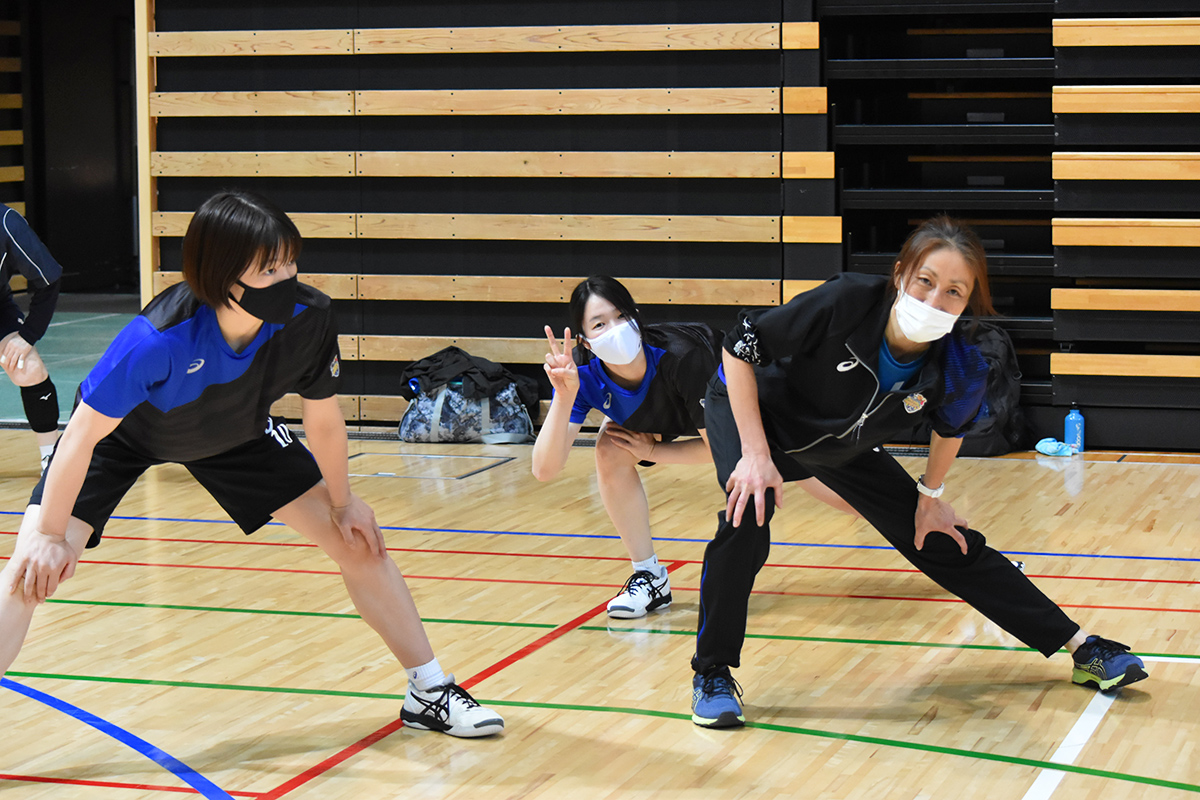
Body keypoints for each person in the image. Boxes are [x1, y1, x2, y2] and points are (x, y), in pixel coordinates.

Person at [0, 191, 504, 738]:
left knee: (358, 541)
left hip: (235, 431)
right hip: (122, 439)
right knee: (30, 568)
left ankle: (429, 691)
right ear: (220, 275)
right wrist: (51, 534)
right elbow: (80, 438)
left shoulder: (308, 318)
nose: (288, 276)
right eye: (269, 268)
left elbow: (324, 420)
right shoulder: (156, 339)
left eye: (290, 261)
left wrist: (344, 502)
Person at [689, 216, 1148, 729]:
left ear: (968, 301)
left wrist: (931, 495)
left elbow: (949, 428)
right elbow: (740, 345)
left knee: (939, 535)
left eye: (954, 291)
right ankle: (712, 672)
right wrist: (755, 454)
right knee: (748, 515)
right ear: (901, 274)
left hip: (846, 444)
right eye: (926, 281)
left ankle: (1083, 648)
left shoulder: (960, 365)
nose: (935, 300)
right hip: (755, 416)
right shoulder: (846, 301)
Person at [533, 276, 859, 618]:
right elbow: (544, 469)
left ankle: (916, 525)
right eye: (600, 324)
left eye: (621, 316)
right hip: (671, 420)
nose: (615, 329)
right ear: (585, 339)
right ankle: (649, 576)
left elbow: (722, 450)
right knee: (610, 448)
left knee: (847, 496)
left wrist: (654, 452)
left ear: (636, 316)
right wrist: (564, 395)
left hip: (761, 409)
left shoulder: (682, 357)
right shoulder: (581, 375)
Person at [0, 204, 63, 474]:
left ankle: (51, 459)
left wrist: (27, 336)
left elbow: (48, 278)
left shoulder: (7, 223)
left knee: (28, 368)